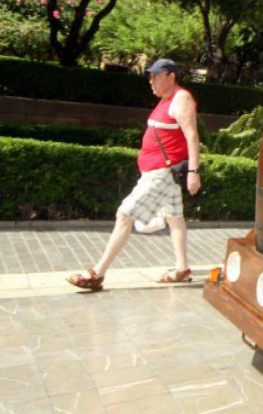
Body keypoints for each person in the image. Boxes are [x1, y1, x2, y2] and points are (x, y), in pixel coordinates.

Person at [67, 59, 201, 290]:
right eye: (150, 77)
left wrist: (193, 172)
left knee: (125, 215)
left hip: (162, 172)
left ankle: (97, 273)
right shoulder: (165, 101)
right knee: (174, 217)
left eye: (156, 76)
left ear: (171, 76)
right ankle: (182, 269)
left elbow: (192, 136)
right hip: (156, 171)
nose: (151, 81)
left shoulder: (181, 99)